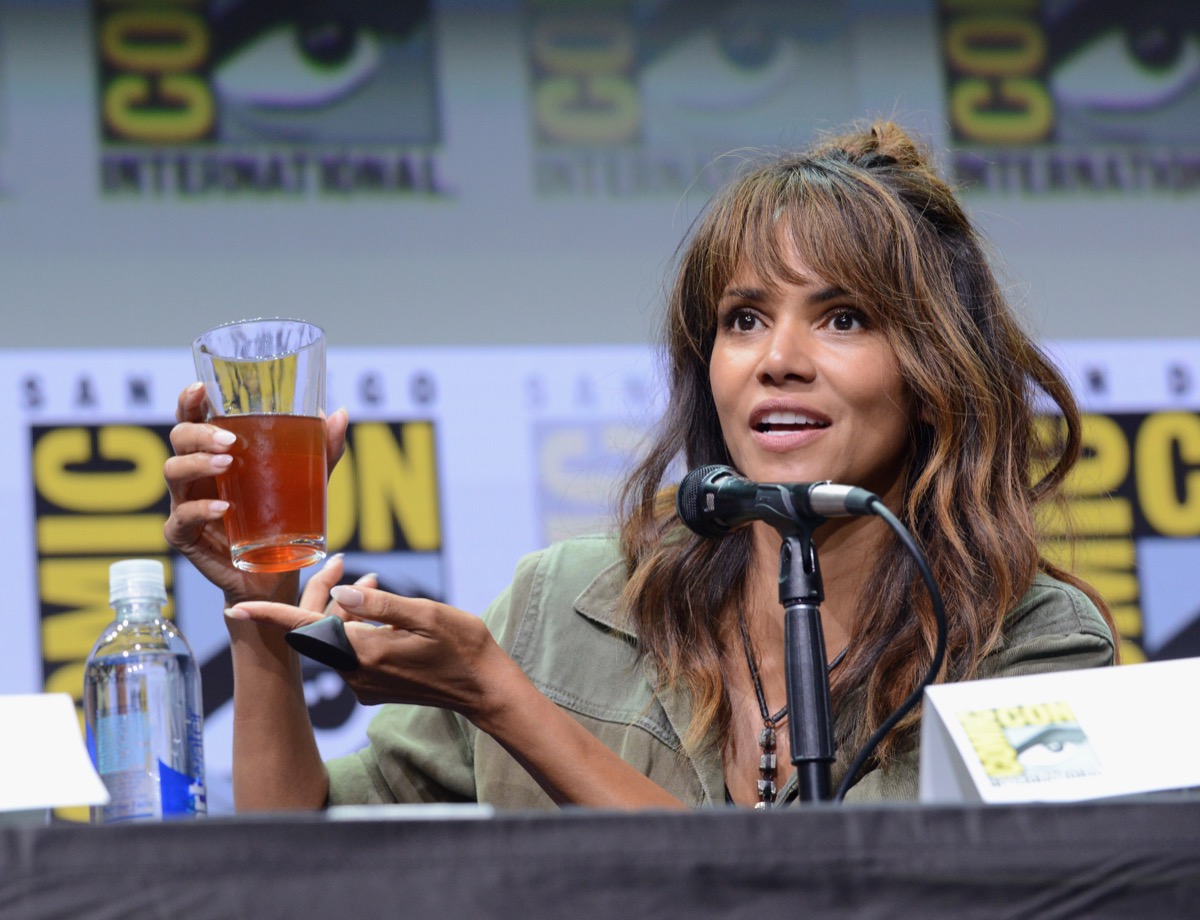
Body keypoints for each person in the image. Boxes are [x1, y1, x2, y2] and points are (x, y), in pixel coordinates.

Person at [164, 120, 1117, 812]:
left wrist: (506, 701)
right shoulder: (567, 602)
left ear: (933, 368)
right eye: (743, 318)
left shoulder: (1028, 645)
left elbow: (816, 902)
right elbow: (298, 852)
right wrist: (261, 614)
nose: (776, 357)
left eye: (842, 318)